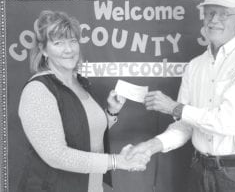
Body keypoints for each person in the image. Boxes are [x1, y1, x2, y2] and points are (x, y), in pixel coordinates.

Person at [127, 0, 235, 192]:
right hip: (200, 171)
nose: (214, 20)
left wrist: (174, 108)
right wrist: (150, 147)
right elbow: (185, 125)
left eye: (224, 14)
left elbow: (227, 122)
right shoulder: (195, 66)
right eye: (209, 13)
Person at [17, 10, 149, 192]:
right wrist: (117, 161)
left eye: (72, 41)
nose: (69, 49)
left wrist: (111, 112)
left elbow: (82, 132)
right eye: (58, 43)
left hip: (91, 186)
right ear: (43, 50)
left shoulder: (80, 82)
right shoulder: (38, 90)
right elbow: (56, 155)